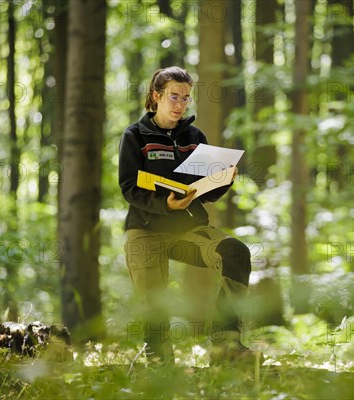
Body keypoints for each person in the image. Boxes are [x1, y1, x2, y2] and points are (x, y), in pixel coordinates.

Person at [118, 66, 253, 364]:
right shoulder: (135, 136)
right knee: (155, 313)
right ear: (157, 96)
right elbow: (129, 188)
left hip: (187, 231)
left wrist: (224, 179)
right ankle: (158, 362)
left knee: (236, 252)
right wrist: (165, 205)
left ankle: (226, 346)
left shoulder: (195, 137)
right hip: (145, 231)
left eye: (186, 98)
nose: (180, 105)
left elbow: (205, 194)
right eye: (174, 97)